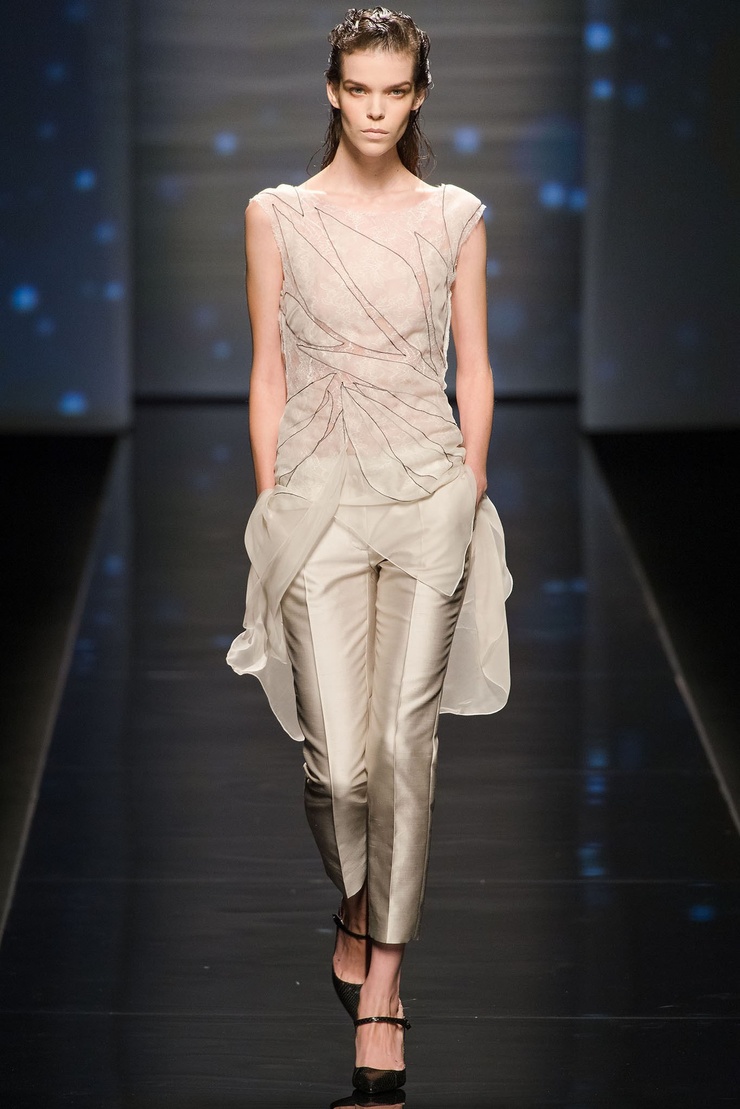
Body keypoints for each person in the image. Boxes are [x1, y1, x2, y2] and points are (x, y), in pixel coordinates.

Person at [227, 6, 512, 1095]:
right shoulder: (277, 216)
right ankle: (356, 902)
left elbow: (473, 365)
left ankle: (384, 982)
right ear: (333, 92)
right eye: (360, 89)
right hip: (318, 500)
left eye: (396, 91)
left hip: (428, 492)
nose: (377, 110)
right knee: (337, 763)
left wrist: (469, 485)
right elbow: (266, 367)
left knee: (402, 746)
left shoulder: (454, 217)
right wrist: (272, 501)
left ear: (419, 95)